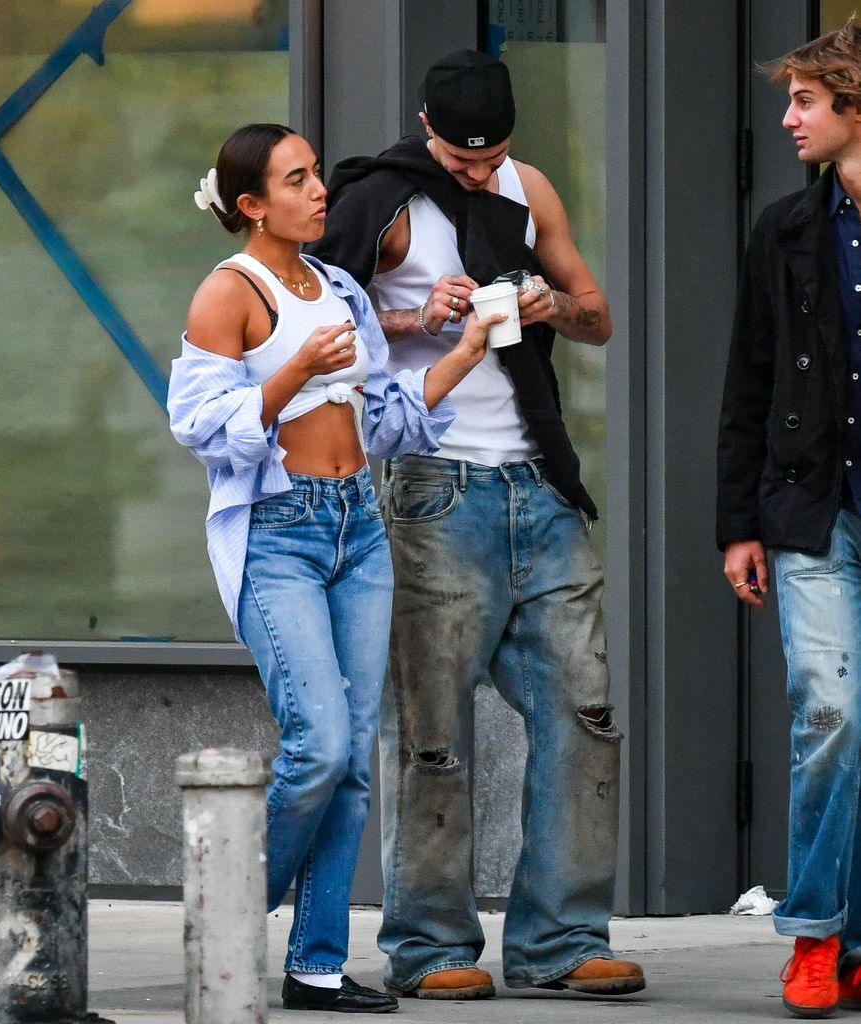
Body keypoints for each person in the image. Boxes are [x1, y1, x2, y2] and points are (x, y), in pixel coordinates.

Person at [307, 51, 645, 1000]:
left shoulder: (527, 188)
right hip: (430, 486)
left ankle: (564, 940)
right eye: (462, 165)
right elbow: (323, 335)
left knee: (585, 709)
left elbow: (598, 318)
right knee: (431, 728)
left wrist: (547, 302)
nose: (477, 176)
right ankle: (429, 948)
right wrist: (420, 316)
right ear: (425, 129)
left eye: (490, 159)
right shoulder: (380, 199)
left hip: (538, 483)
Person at [167, 123, 503, 1014]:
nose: (321, 190)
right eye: (298, 179)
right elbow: (201, 429)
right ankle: (228, 919)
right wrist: (288, 377)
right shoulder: (227, 294)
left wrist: (463, 354)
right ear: (251, 205)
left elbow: (384, 419)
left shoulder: (341, 288)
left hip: (359, 528)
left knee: (352, 758)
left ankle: (314, 964)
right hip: (278, 535)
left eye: (314, 173)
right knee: (317, 744)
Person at [717, 18, 861, 1019]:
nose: (787, 117)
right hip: (815, 512)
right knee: (831, 713)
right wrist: (739, 523)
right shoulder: (786, 228)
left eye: (806, 99)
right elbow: (750, 381)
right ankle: (815, 933)